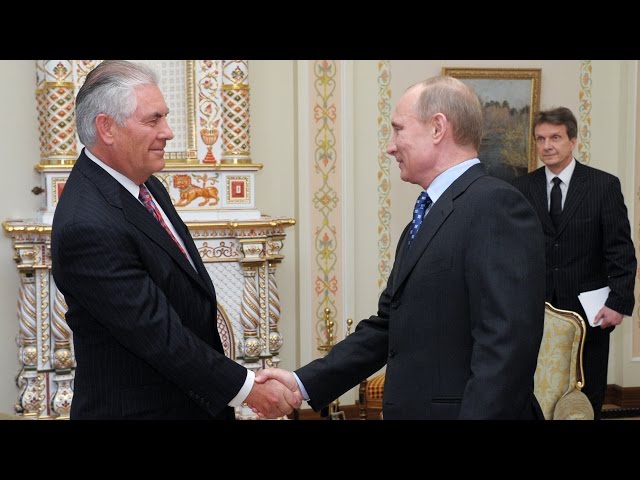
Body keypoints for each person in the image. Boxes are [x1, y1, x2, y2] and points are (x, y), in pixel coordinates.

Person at [255, 76, 546, 420]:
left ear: (437, 128)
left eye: (398, 130)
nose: (390, 147)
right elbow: (388, 326)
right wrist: (302, 382)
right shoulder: (424, 219)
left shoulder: (496, 206)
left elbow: (507, 349)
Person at [51, 60, 302, 419]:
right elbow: (159, 335)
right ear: (106, 128)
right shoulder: (88, 224)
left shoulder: (147, 185)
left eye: (165, 118)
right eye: (153, 120)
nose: (168, 132)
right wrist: (249, 390)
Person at [512, 107, 636, 419]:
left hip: (588, 313)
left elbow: (620, 250)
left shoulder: (602, 186)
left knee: (587, 396)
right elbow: (512, 252)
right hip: (534, 311)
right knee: (532, 392)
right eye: (540, 139)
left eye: (555, 137)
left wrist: (618, 303)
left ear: (573, 140)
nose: (546, 146)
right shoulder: (521, 189)